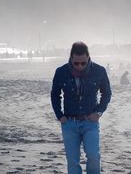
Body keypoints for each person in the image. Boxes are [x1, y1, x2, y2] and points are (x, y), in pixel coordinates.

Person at [51, 41, 112, 174]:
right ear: (71, 58)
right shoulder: (61, 72)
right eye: (76, 63)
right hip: (69, 122)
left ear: (88, 58)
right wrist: (59, 115)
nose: (80, 66)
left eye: (83, 63)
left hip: (90, 122)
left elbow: (106, 93)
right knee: (73, 161)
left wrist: (99, 112)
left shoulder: (99, 71)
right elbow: (55, 95)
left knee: (93, 156)